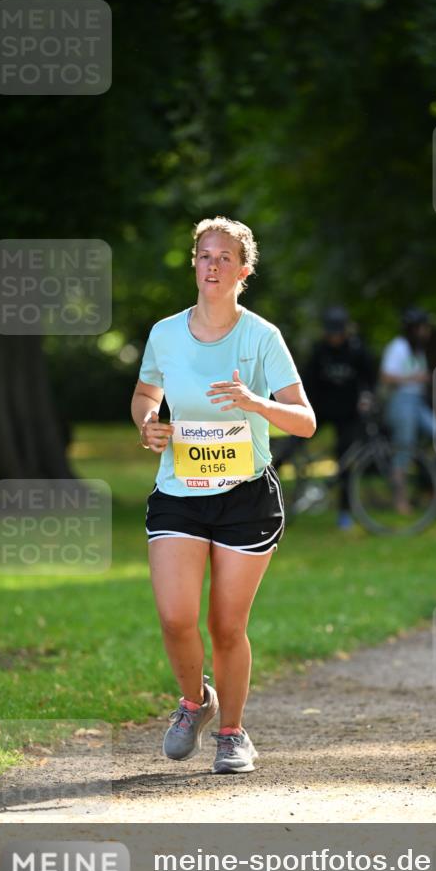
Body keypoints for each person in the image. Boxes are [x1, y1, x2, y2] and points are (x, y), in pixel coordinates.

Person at [131, 216, 316, 773]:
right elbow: (145, 392)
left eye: (225, 258)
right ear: (195, 263)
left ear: (244, 271)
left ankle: (232, 733)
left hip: (245, 496)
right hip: (179, 491)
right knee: (175, 618)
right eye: (205, 256)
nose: (213, 266)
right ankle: (195, 703)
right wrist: (148, 423)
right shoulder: (165, 333)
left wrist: (255, 402)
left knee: (226, 627)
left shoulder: (262, 337)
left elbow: (305, 421)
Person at [301, 306, 377, 528]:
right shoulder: (319, 350)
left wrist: (367, 398)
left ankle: (344, 511)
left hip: (348, 413)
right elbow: (308, 381)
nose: (334, 338)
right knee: (292, 443)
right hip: (321, 410)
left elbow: (369, 379)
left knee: (345, 461)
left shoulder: (357, 350)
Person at [380, 307, 436, 514]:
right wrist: (414, 378)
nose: (427, 331)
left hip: (417, 402)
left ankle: (427, 483)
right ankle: (400, 500)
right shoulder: (398, 347)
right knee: (403, 451)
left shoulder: (417, 350)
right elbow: (386, 377)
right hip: (401, 402)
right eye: (424, 327)